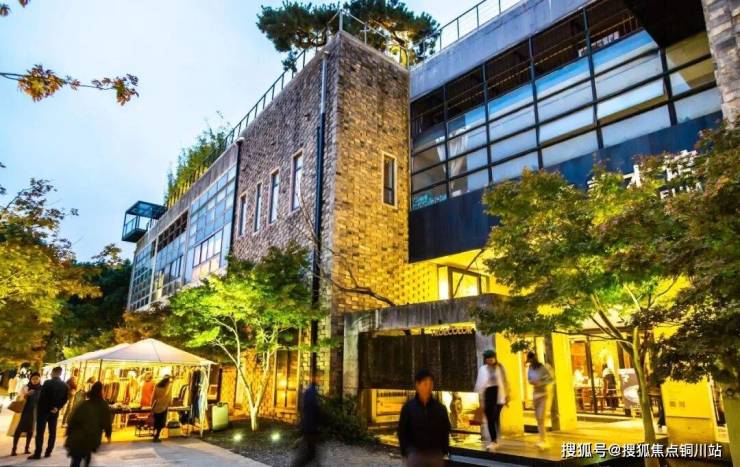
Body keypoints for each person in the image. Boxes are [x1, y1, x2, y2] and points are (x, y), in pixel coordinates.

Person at [397, 369, 451, 467]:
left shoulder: (440, 408)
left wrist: (444, 450)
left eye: (431, 383)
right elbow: (402, 431)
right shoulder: (408, 408)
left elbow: (445, 429)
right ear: (417, 385)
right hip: (416, 453)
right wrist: (405, 451)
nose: (428, 386)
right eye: (425, 383)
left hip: (435, 454)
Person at [64, 382, 112, 467]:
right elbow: (107, 421)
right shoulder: (103, 405)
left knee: (76, 459)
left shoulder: (84, 404)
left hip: (77, 437)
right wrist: (108, 434)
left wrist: (68, 431)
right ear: (101, 391)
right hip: (91, 436)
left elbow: (73, 419)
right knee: (86, 454)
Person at [29, 366, 69, 460]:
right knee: (52, 432)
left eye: (51, 372)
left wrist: (46, 408)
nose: (51, 374)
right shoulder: (65, 385)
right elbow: (65, 399)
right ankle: (48, 452)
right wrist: (57, 407)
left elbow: (43, 397)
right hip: (54, 412)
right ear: (60, 373)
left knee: (40, 432)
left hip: (44, 411)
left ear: (54, 372)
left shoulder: (47, 383)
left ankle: (38, 453)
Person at [474, 350, 510, 451]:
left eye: (492, 358)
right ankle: (494, 440)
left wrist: (507, 395)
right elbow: (480, 384)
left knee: (494, 417)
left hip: (499, 394)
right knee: (490, 419)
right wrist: (481, 399)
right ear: (485, 360)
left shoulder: (500, 367)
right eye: (488, 358)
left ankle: (496, 439)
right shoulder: (483, 369)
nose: (490, 360)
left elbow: (505, 381)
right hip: (488, 394)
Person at [291, 374, 322, 467]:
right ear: (313, 379)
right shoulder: (311, 392)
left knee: (310, 453)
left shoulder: (312, 391)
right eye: (318, 377)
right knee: (310, 454)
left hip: (309, 427)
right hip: (310, 427)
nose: (320, 379)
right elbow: (311, 410)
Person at [7, 372, 41, 456]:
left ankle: (27, 448)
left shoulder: (41, 388)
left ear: (39, 379)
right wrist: (26, 395)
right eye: (33, 379)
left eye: (37, 379)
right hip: (24, 411)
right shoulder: (25, 387)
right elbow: (19, 398)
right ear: (30, 379)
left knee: (30, 430)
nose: (35, 380)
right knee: (18, 430)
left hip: (34, 412)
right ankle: (14, 449)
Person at [526, 352, 554, 449]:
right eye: (529, 361)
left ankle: (544, 440)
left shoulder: (543, 368)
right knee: (538, 418)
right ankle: (541, 439)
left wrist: (540, 383)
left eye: (531, 360)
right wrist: (531, 382)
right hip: (535, 395)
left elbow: (551, 380)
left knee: (541, 417)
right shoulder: (530, 368)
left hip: (544, 394)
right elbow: (529, 379)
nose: (530, 362)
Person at [151, 376, 172, 442]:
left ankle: (154, 435)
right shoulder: (168, 387)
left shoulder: (157, 386)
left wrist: (151, 405)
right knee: (161, 423)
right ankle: (157, 436)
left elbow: (153, 396)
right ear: (166, 382)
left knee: (156, 422)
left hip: (156, 406)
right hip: (164, 407)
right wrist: (170, 403)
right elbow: (169, 397)